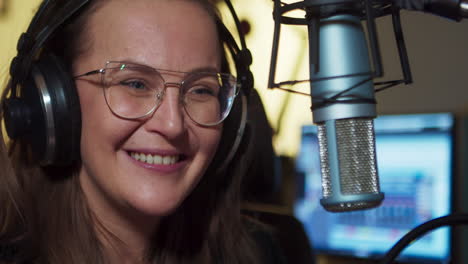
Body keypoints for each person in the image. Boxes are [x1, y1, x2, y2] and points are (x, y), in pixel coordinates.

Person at [0, 0, 286, 263]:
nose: (173, 125)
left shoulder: (263, 253)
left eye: (201, 89)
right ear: (53, 101)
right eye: (135, 84)